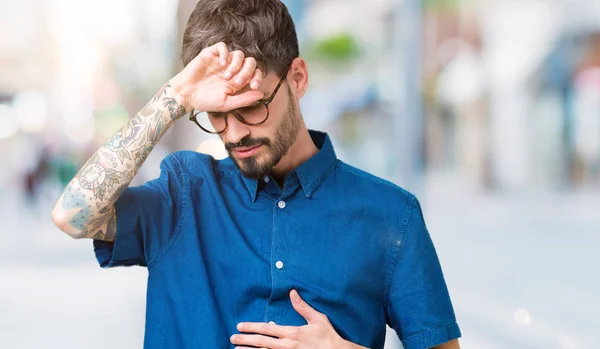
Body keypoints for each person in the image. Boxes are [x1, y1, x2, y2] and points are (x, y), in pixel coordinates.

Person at [50, 1, 461, 348]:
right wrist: (173, 97)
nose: (234, 133)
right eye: (216, 115)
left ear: (296, 78)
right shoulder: (183, 193)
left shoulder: (392, 214)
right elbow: (72, 214)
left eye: (250, 108)